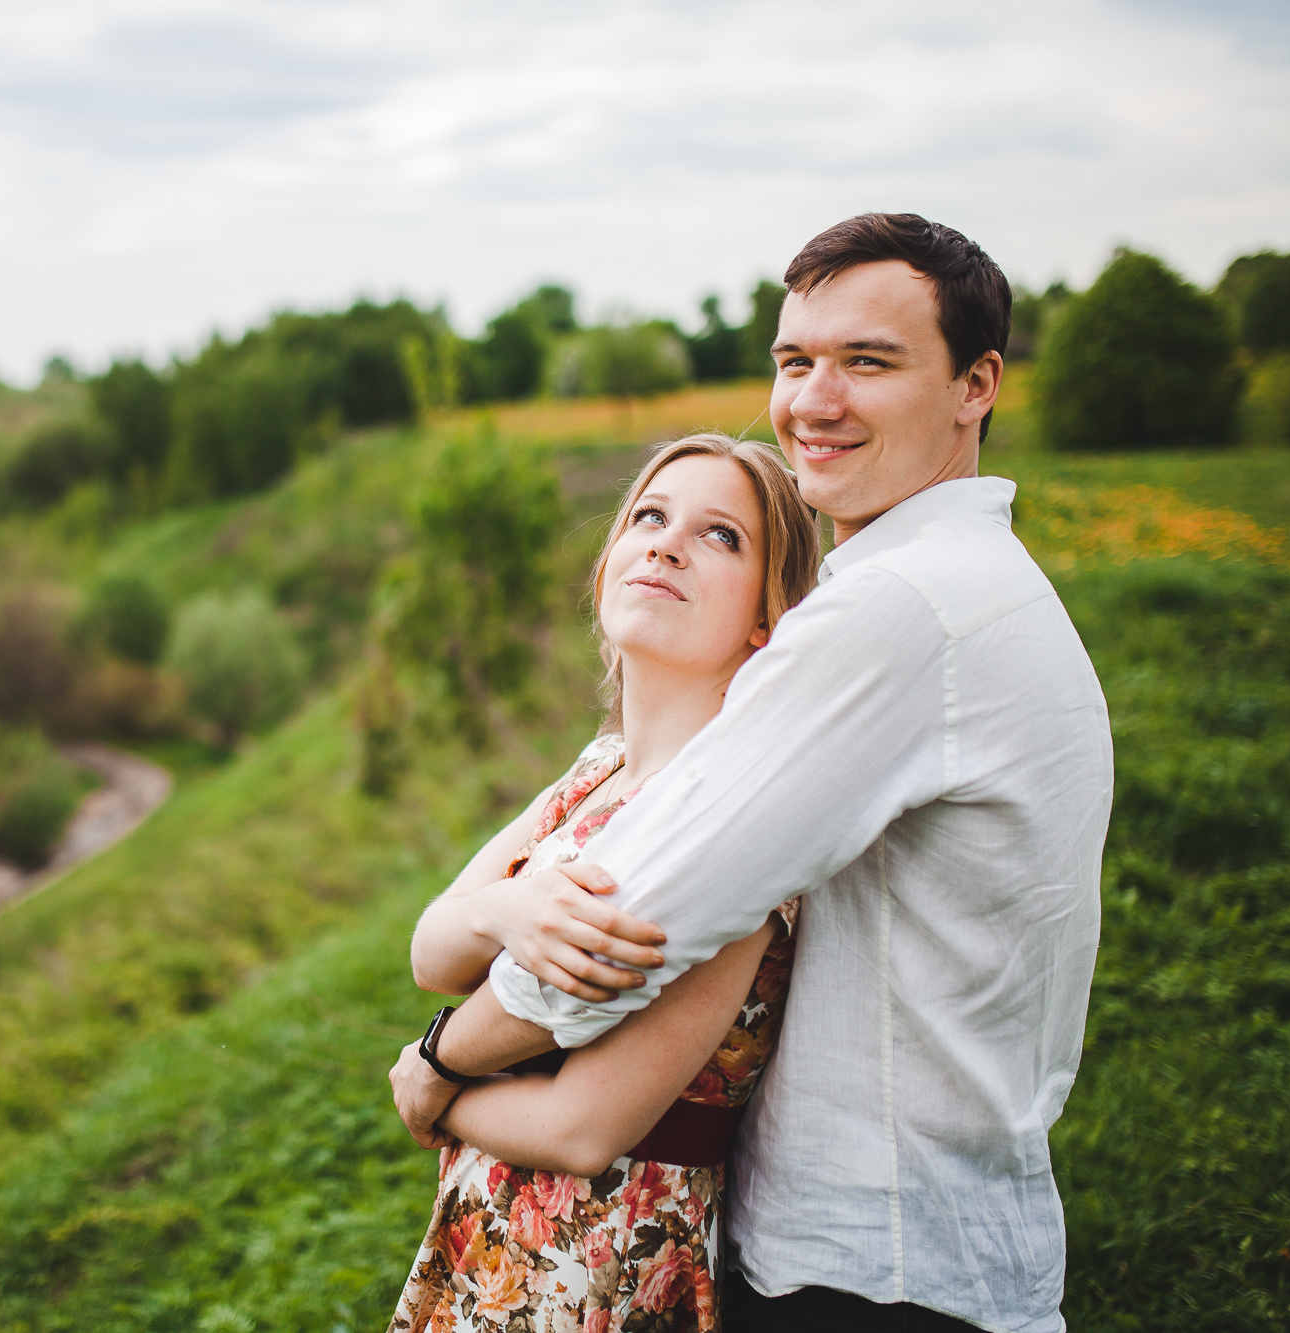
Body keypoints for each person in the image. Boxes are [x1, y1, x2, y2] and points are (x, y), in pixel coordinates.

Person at [390, 214, 1113, 1333]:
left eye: (866, 361)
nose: (814, 400)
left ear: (975, 384)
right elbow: (459, 935)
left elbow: (628, 927)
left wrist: (440, 1070)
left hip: (871, 1270)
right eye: (794, 361)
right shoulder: (967, 585)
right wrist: (492, 923)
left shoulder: (898, 606)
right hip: (907, 1241)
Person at [388, 433, 823, 1332]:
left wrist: (435, 1082)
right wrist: (508, 907)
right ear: (608, 566)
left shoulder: (741, 821)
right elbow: (433, 947)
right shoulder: (599, 770)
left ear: (765, 620)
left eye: (721, 536)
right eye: (651, 517)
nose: (666, 542)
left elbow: (587, 1128)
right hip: (489, 1234)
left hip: (604, 1262)